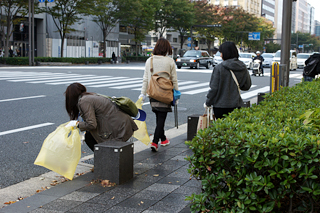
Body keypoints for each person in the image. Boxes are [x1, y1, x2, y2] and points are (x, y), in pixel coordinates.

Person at [65, 83, 138, 151]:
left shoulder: (84, 101)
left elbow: (91, 124)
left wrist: (77, 124)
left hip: (119, 128)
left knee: (89, 137)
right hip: (122, 124)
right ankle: (106, 159)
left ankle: (106, 160)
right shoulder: (91, 95)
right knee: (90, 135)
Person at [139, 38, 179, 152]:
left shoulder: (149, 60)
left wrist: (142, 94)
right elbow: (174, 80)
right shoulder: (170, 61)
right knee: (161, 119)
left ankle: (164, 139)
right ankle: (155, 142)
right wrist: (176, 95)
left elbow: (145, 79)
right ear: (167, 49)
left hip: (153, 93)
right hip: (165, 94)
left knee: (159, 118)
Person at [205, 41, 252, 119]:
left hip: (220, 106)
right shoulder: (242, 67)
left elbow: (214, 89)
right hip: (236, 105)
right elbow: (246, 86)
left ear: (225, 53)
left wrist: (208, 102)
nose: (220, 55)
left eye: (221, 53)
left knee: (221, 129)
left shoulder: (219, 68)